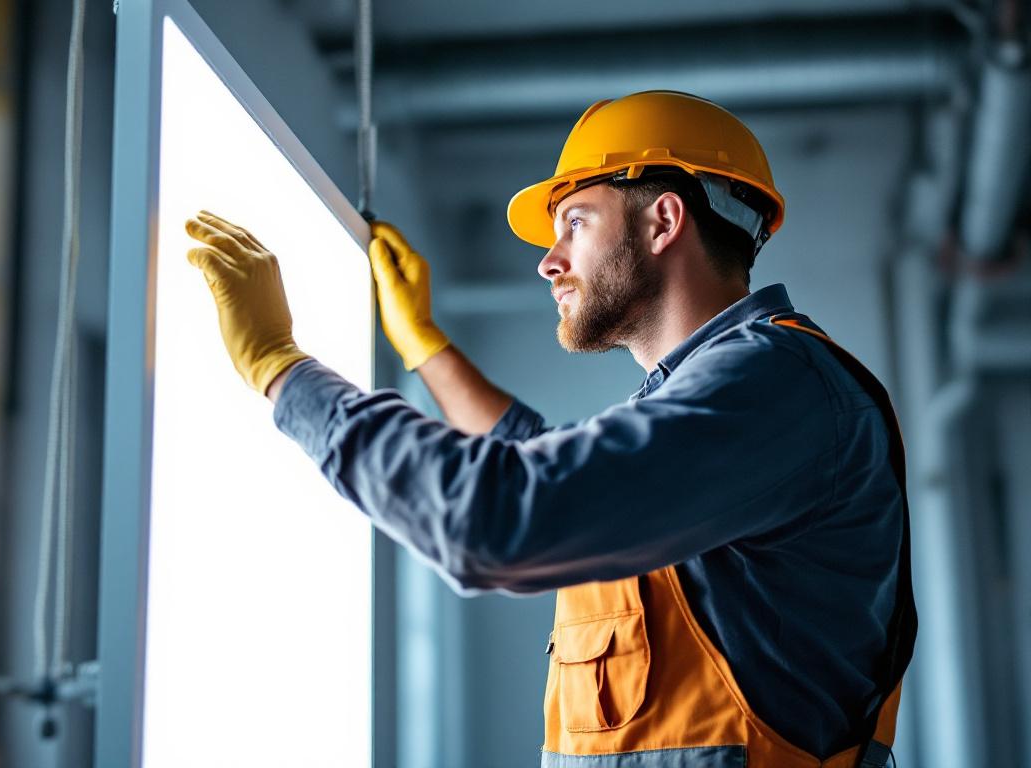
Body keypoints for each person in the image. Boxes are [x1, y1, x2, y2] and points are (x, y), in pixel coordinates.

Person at [184, 91, 914, 767]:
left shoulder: (774, 387)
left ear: (663, 221)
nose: (548, 261)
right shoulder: (737, 400)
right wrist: (426, 350)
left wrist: (283, 371)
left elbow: (501, 517)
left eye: (575, 223)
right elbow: (552, 474)